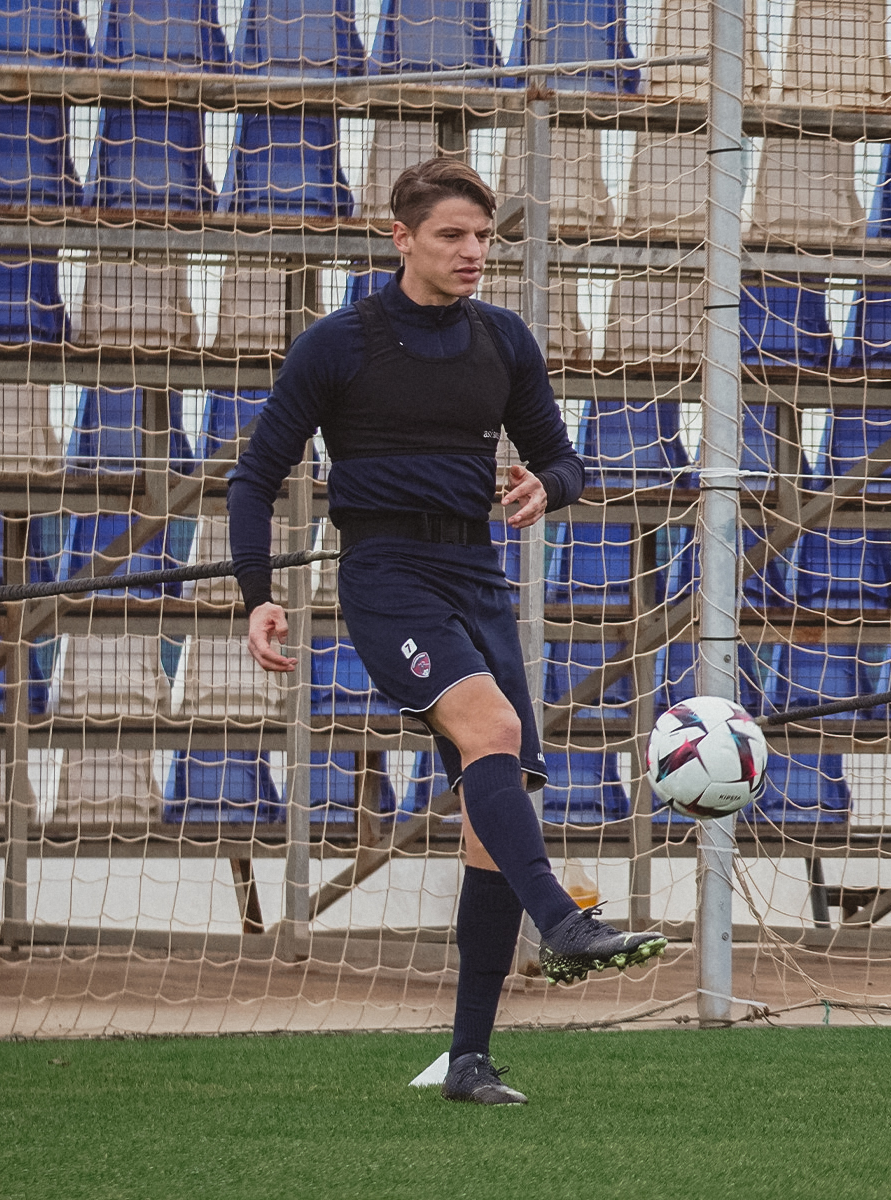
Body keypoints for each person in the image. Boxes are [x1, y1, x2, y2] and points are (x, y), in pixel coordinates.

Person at [227, 157, 667, 1106]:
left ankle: (469, 1059)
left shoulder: (503, 339)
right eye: (452, 235)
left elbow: (563, 459)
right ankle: (562, 920)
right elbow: (255, 476)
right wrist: (258, 593)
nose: (473, 252)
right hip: (386, 576)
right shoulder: (338, 343)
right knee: (493, 730)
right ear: (402, 239)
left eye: (483, 237)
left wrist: (547, 485)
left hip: (476, 575)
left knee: (488, 819)